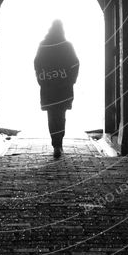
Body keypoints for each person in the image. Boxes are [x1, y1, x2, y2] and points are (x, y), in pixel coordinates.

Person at [34, 20, 79, 158]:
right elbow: (75, 64)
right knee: (61, 115)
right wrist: (71, 80)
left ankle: (56, 144)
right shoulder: (67, 46)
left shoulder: (43, 45)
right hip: (64, 87)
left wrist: (42, 80)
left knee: (52, 116)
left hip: (48, 87)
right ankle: (59, 142)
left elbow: (37, 63)